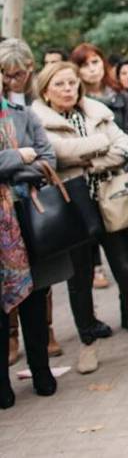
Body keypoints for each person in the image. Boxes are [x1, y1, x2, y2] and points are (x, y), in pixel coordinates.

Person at [30, 62, 128, 372]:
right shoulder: (38, 119)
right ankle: (88, 343)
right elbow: (56, 153)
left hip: (108, 201)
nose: (69, 90)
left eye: (72, 84)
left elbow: (124, 146)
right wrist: (98, 145)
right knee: (79, 278)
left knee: (126, 268)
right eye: (61, 84)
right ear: (45, 90)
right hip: (71, 208)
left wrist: (88, 163)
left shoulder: (97, 111)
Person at [0, 58, 59, 406]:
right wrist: (19, 155)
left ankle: (42, 371)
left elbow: (47, 158)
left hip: (25, 214)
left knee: (36, 295)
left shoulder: (23, 115)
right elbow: (30, 156)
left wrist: (18, 165)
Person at [71, 43, 128, 136]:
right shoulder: (73, 101)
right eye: (85, 65)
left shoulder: (123, 97)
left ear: (103, 63)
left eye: (95, 62)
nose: (92, 69)